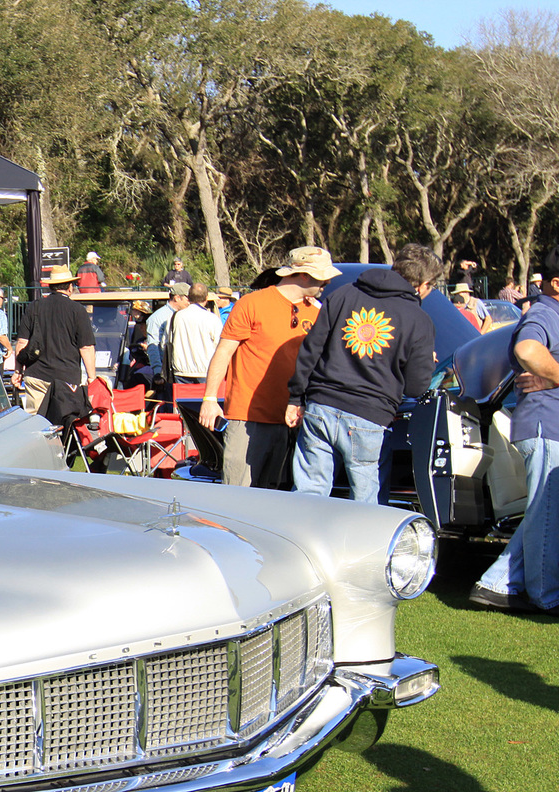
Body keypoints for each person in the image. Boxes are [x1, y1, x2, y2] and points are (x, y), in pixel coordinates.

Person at [287, 244, 440, 503]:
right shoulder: (419, 319)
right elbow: (416, 387)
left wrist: (295, 398)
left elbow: (311, 349)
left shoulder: (343, 295)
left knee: (308, 495)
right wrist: (426, 364)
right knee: (367, 506)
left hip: (320, 407)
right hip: (369, 417)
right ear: (423, 284)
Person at [200, 245, 337, 488]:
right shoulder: (252, 303)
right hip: (248, 417)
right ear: (304, 274)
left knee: (275, 500)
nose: (327, 282)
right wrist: (210, 399)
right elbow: (223, 352)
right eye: (323, 277)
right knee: (238, 496)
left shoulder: (318, 311)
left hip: (292, 419)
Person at [470, 246, 559, 612]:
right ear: (556, 283)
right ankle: (545, 596)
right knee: (547, 515)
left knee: (544, 512)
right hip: (545, 425)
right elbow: (527, 349)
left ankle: (495, 584)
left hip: (545, 423)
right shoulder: (546, 311)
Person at [13, 265, 95, 423]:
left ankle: (38, 448)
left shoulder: (34, 307)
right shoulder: (77, 310)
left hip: (36, 374)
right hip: (67, 378)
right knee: (64, 423)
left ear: (51, 286)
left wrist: (18, 372)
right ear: (70, 287)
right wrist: (92, 377)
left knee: (36, 424)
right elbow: (86, 347)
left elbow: (22, 342)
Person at [170, 281, 222, 383]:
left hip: (181, 371)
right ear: (206, 298)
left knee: (181, 399)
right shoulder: (212, 318)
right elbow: (219, 345)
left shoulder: (177, 317)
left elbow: (168, 341)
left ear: (189, 297)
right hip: (205, 370)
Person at [143, 283, 189, 377]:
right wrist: (158, 372)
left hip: (186, 370)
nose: (189, 302)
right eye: (187, 298)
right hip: (168, 372)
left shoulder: (188, 315)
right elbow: (153, 345)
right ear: (177, 298)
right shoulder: (157, 318)